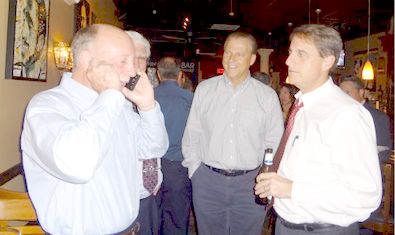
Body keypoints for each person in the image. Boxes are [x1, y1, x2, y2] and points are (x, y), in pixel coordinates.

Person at [20, 24, 169, 235]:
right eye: (123, 61)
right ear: (88, 61)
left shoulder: (118, 106)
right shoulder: (46, 106)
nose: (133, 71)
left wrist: (147, 107)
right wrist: (110, 96)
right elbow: (78, 166)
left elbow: (153, 148)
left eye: (135, 61)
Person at [255, 24, 382, 235]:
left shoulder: (345, 114)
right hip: (286, 225)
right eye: (290, 52)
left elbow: (364, 196)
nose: (288, 61)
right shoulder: (303, 105)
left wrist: (291, 189)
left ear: (328, 61)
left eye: (301, 54)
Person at [182, 31, 284, 235]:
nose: (231, 59)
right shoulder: (205, 89)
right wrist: (196, 172)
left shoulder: (266, 96)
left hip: (250, 184)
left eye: (239, 54)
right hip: (208, 181)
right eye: (228, 53)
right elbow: (192, 134)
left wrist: (266, 178)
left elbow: (274, 142)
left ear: (252, 59)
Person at [126, 30, 163, 235]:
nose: (138, 64)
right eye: (133, 57)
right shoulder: (105, 98)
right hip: (121, 199)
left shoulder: (147, 94)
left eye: (143, 59)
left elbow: (158, 146)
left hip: (150, 195)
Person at [155, 57, 194, 235]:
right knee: (177, 219)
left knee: (152, 217)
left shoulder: (146, 97)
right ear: (180, 75)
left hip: (148, 167)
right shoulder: (190, 99)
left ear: (158, 74)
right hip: (178, 166)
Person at [339, 75, 392, 163]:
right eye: (340, 94)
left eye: (347, 93)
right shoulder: (338, 115)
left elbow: (383, 152)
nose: (342, 97)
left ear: (361, 92)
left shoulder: (378, 117)